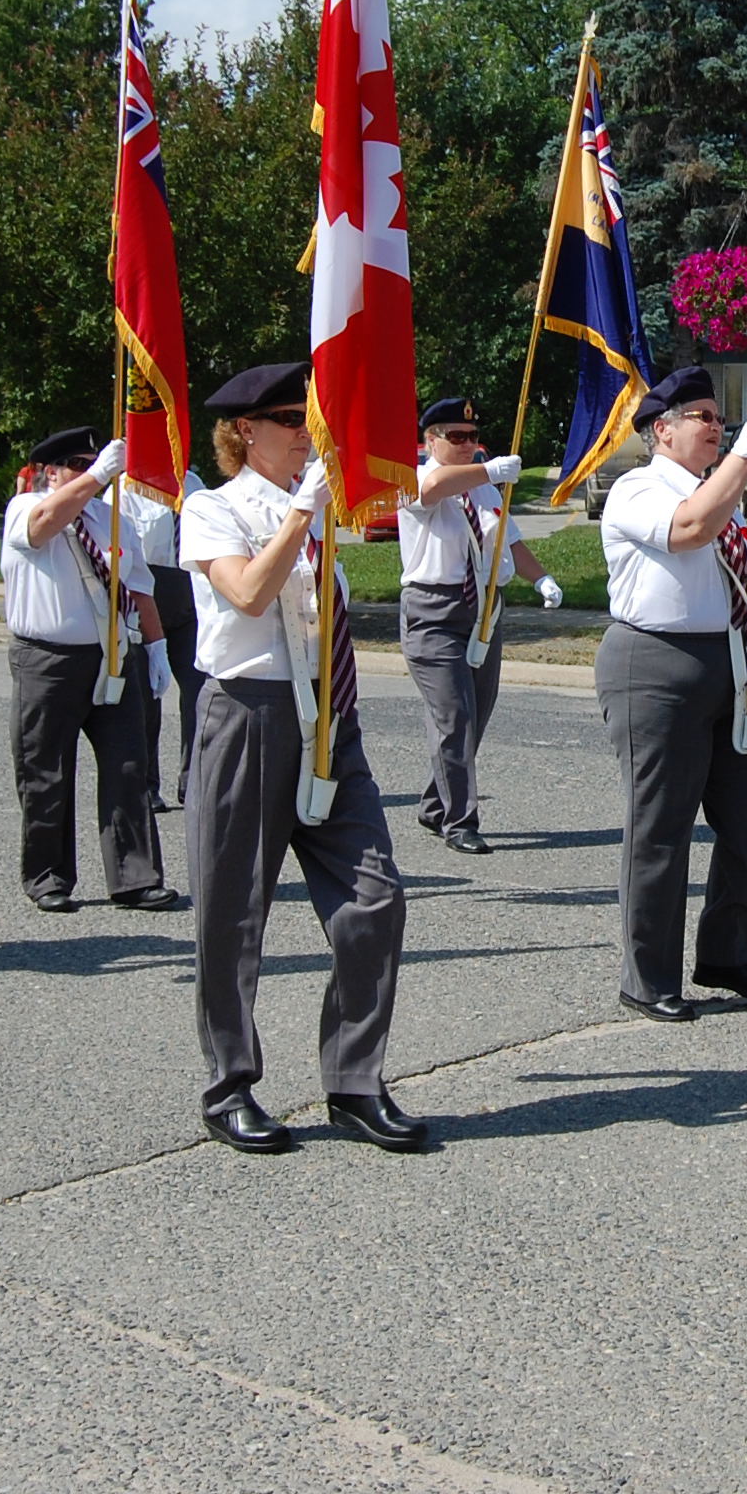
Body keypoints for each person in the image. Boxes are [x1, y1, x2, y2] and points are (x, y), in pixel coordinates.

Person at [179, 363, 422, 1155]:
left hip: (327, 717)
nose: (304, 434)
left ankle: (354, 1081)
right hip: (249, 714)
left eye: (308, 419)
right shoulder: (212, 509)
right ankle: (229, 1085)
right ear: (244, 431)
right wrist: (299, 515)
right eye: (289, 419)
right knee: (232, 912)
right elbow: (249, 594)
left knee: (375, 898)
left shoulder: (315, 509)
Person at [595, 367, 747, 1022]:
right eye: (702, 415)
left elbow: (736, 573)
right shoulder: (638, 489)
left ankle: (729, 952)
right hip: (654, 663)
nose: (717, 425)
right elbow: (691, 530)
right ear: (663, 430)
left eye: (718, 416)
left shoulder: (719, 491)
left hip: (724, 662)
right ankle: (647, 977)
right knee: (661, 826)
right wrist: (745, 456)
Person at [0, 427, 180, 915]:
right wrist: (98, 474)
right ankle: (48, 876)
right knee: (45, 771)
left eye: (93, 463)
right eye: (77, 466)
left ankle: (135, 878)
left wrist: (157, 648)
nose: (90, 473)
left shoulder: (109, 519)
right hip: (48, 660)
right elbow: (43, 526)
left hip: (114, 654)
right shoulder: (26, 507)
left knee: (128, 767)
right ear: (49, 472)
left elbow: (138, 587)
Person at [398, 395, 563, 855]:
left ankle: (435, 804)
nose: (468, 444)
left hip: (484, 609)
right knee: (454, 716)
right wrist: (488, 471)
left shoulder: (484, 489)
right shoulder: (416, 478)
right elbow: (434, 489)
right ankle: (460, 822)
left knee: (476, 714)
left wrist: (541, 578)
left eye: (473, 436)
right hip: (434, 612)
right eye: (457, 436)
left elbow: (510, 541)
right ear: (430, 441)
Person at [116, 464, 208, 814]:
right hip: (145, 592)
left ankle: (194, 780)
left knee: (199, 691)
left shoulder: (193, 484)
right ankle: (145, 785)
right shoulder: (126, 488)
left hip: (189, 593)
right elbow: (120, 552)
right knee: (146, 695)